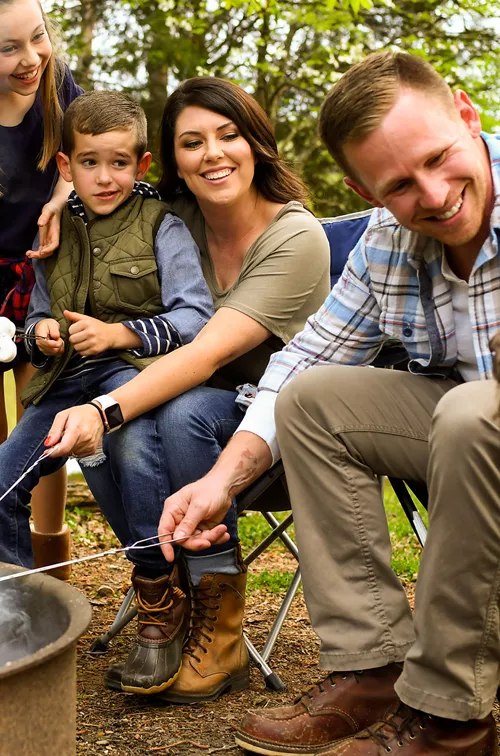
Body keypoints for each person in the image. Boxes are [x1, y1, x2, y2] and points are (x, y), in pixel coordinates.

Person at [127, 52, 500, 754]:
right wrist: (219, 482)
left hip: (478, 425)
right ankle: (372, 669)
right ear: (363, 189)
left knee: (471, 411)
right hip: (466, 433)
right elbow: (301, 360)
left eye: (439, 157)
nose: (435, 194)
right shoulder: (387, 241)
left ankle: (453, 719)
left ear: (467, 113)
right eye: (399, 185)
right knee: (311, 399)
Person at [44, 77, 332, 702]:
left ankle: (218, 620)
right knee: (129, 430)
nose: (214, 154)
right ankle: (162, 593)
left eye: (229, 135)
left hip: (286, 426)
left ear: (256, 142)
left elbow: (203, 357)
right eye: (193, 142)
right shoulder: (174, 226)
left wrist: (103, 407)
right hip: (187, 406)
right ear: (173, 161)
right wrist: (59, 194)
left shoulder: (295, 237)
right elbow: (101, 182)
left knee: (166, 417)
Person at [0, 86, 213, 670]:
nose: (105, 177)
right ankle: (22, 619)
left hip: (134, 375)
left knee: (134, 450)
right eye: (89, 163)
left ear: (141, 164)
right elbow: (38, 314)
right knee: (1, 483)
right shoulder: (57, 231)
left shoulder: (162, 226)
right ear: (67, 166)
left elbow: (196, 317)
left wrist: (121, 334)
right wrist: (40, 334)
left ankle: (157, 600)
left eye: (119, 162)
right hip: (66, 383)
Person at [0, 0, 83, 579]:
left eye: (38, 38)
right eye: (8, 48)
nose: (31, 59)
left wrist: (62, 194)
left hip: (40, 266)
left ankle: (50, 558)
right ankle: (4, 566)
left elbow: (79, 153)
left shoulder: (56, 83)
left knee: (41, 415)